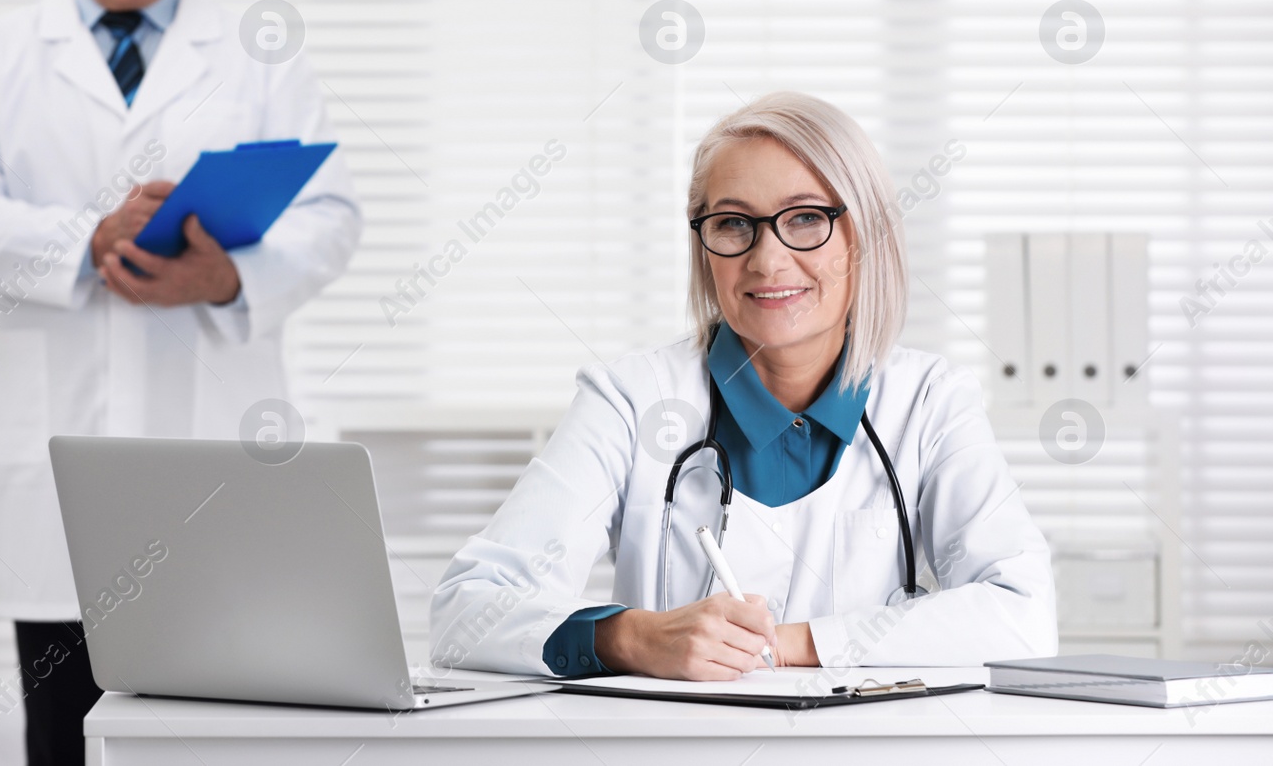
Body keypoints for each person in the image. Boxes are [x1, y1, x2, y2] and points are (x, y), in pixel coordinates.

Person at [0, 0, 361, 763]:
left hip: (211, 447)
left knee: (215, 735)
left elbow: (332, 220)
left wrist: (224, 278)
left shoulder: (257, 52)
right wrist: (89, 236)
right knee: (65, 732)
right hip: (54, 458)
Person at [429, 92, 1055, 678]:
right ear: (704, 244)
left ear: (864, 236)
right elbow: (466, 611)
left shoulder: (929, 402)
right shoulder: (631, 399)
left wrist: (784, 644)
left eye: (806, 218)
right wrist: (630, 638)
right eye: (733, 224)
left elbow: (1024, 616)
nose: (767, 259)